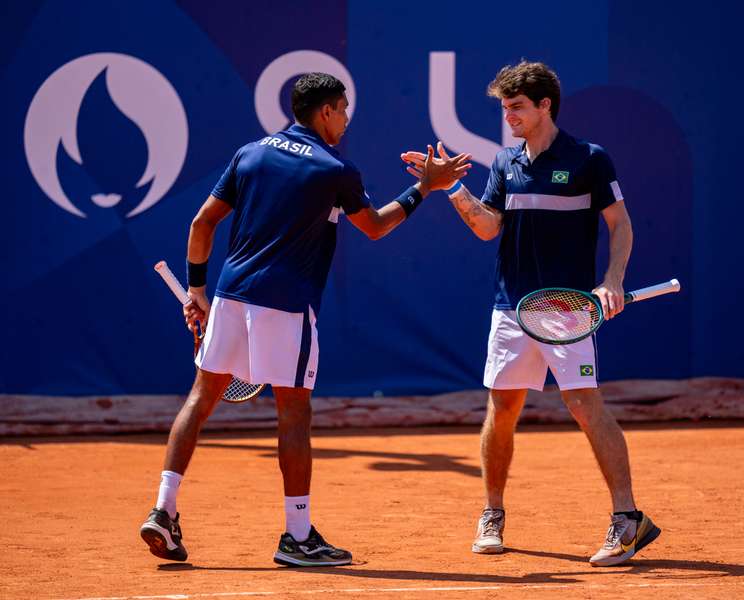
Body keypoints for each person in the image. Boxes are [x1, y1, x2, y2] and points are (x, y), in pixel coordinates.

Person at [139, 72, 470, 566]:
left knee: (200, 397)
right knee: (294, 412)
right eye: (343, 110)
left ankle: (163, 509)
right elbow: (376, 228)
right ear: (325, 112)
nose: (346, 120)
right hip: (286, 304)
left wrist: (197, 292)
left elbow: (201, 223)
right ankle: (297, 537)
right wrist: (423, 188)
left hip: (230, 295)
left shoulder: (249, 153)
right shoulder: (336, 169)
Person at [402, 60, 660, 566]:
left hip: (566, 309)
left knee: (586, 407)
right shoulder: (504, 163)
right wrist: (449, 189)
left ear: (545, 105)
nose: (509, 116)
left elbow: (621, 224)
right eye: (504, 108)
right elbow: (485, 227)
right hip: (511, 306)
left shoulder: (589, 159)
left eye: (517, 107)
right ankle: (492, 513)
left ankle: (627, 518)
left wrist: (611, 280)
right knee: (502, 412)